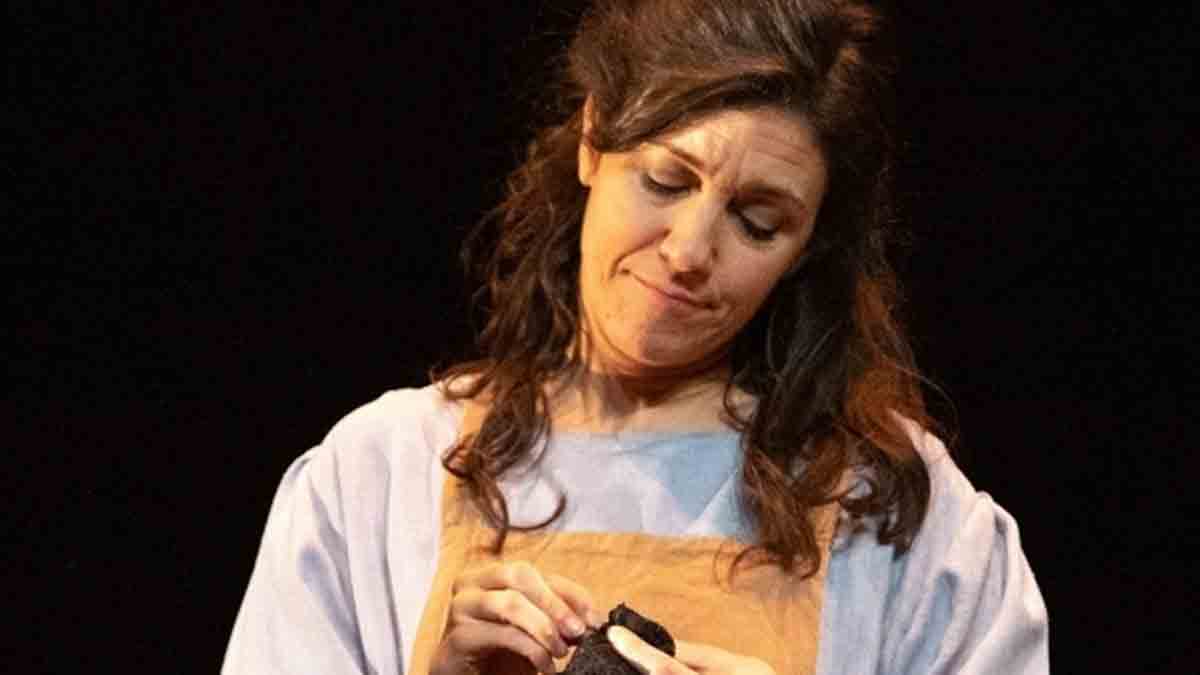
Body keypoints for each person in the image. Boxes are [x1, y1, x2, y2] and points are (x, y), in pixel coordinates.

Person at [222, 1, 1049, 673]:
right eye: (665, 180)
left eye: (757, 222)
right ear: (593, 140)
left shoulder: (899, 517)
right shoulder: (380, 477)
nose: (689, 251)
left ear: (806, 249)